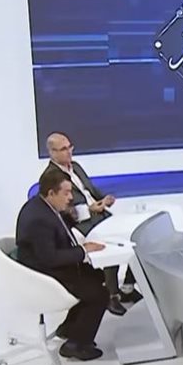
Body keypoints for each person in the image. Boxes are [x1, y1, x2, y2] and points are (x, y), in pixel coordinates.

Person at [15, 169, 110, 361]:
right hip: (43, 274)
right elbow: (50, 258)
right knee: (99, 294)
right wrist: (83, 251)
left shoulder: (43, 206)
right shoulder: (39, 219)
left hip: (46, 265)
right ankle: (76, 345)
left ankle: (70, 328)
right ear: (51, 193)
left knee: (97, 275)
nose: (70, 198)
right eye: (66, 193)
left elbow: (63, 225)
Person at [43, 132, 141, 316]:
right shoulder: (51, 177)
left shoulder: (76, 167)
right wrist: (89, 209)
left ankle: (128, 286)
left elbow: (90, 189)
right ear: (52, 152)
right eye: (63, 149)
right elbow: (62, 211)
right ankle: (111, 295)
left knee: (136, 236)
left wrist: (104, 199)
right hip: (82, 223)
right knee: (111, 245)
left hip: (99, 213)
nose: (69, 152)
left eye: (70, 147)